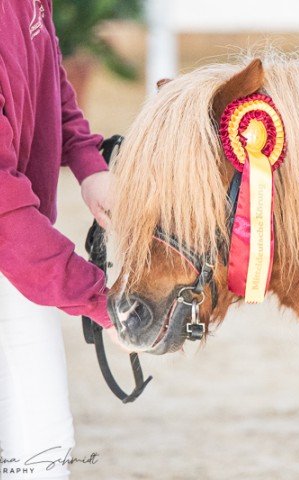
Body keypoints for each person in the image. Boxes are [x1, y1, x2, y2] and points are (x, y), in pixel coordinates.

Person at [0, 0, 119, 478]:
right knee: (40, 450)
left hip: (18, 257)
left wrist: (89, 164)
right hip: (14, 246)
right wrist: (101, 301)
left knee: (43, 449)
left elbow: (50, 79)